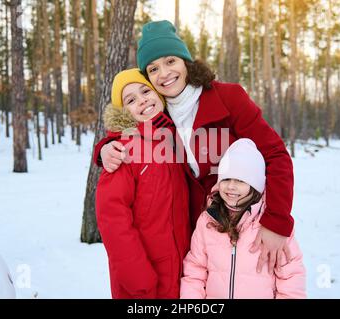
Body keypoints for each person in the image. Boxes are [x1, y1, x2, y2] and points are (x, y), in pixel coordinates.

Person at [94, 20, 294, 274]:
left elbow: (275, 155)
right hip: (195, 243)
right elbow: (132, 135)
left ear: (185, 61)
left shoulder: (228, 97)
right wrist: (105, 147)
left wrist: (276, 222)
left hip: (245, 229)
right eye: (153, 69)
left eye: (170, 61)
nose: (164, 73)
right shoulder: (158, 113)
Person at [95, 68, 191, 299]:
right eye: (130, 100)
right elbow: (112, 220)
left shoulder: (176, 139)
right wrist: (138, 279)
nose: (142, 100)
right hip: (144, 281)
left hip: (182, 273)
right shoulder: (122, 150)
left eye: (145, 91)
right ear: (123, 112)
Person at [180, 139, 306, 299]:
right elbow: (195, 271)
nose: (231, 186)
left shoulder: (272, 226)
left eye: (240, 181)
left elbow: (290, 277)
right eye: (226, 179)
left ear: (255, 185)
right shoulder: (208, 220)